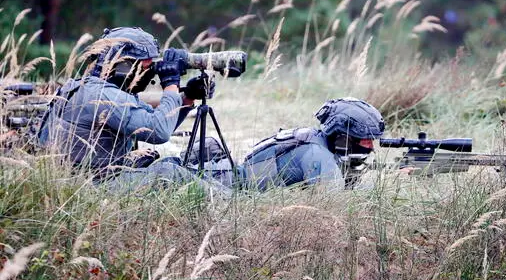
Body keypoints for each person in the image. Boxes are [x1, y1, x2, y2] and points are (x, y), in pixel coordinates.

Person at [38, 26, 212, 183]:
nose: (150, 72)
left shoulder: (92, 87)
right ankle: (229, 192)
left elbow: (156, 120)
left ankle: (234, 177)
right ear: (125, 65)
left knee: (191, 157)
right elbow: (159, 132)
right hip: (91, 185)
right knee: (171, 173)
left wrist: (187, 97)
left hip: (87, 178)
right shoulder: (105, 96)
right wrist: (170, 84)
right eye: (146, 67)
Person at [187, 97, 385, 191]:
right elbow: (334, 205)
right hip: (223, 187)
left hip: (228, 179)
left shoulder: (314, 139)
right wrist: (377, 187)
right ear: (344, 137)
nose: (369, 147)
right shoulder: (319, 156)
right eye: (365, 140)